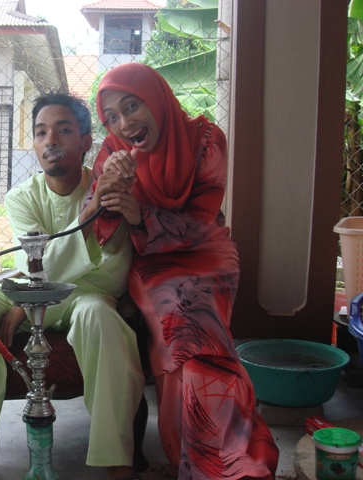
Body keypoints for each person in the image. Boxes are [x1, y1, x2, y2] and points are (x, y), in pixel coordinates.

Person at [90, 62, 280, 479]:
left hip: (208, 254)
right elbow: (97, 223)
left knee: (193, 321)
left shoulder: (206, 140)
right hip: (153, 262)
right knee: (181, 320)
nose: (124, 124)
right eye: (112, 117)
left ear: (156, 98)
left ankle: (224, 459)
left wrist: (140, 214)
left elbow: (200, 220)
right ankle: (202, 458)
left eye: (132, 106)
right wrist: (108, 187)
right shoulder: (112, 152)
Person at [0, 92, 146, 480]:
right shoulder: (22, 197)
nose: (50, 140)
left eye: (63, 130)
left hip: (86, 297)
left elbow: (110, 274)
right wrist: (87, 217)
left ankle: (115, 457)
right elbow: (32, 266)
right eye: (40, 132)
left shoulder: (110, 187)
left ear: (85, 142)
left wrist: (30, 302)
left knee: (100, 316)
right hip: (31, 289)